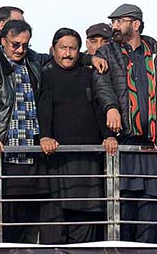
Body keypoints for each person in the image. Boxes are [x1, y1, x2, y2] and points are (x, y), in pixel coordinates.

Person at [92, 4, 157, 243]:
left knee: (152, 221)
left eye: (119, 21)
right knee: (122, 218)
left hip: (156, 150)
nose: (114, 26)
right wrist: (111, 107)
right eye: (113, 21)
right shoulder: (106, 53)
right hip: (124, 148)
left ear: (135, 24)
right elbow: (101, 85)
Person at [0, 19, 50, 243]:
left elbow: (58, 57)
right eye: (15, 44)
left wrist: (89, 57)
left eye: (25, 45)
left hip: (32, 151)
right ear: (3, 41)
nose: (20, 50)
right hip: (4, 151)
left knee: (28, 224)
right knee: (0, 222)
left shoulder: (33, 59)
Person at [37, 28, 115, 243]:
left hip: (87, 163)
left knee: (85, 238)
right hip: (55, 162)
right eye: (63, 48)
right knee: (53, 235)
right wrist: (44, 136)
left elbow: (99, 108)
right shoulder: (45, 74)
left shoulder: (89, 74)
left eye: (73, 48)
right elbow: (44, 108)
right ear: (53, 49)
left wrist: (108, 135)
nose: (68, 54)